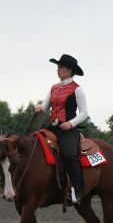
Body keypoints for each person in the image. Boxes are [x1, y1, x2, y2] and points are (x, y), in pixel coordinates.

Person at [35, 54, 88, 204]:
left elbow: (84, 113)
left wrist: (71, 123)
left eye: (61, 67)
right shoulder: (53, 87)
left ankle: (78, 190)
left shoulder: (78, 90)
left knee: (69, 155)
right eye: (58, 67)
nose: (58, 70)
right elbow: (45, 106)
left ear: (70, 70)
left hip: (68, 130)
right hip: (52, 127)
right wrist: (40, 107)